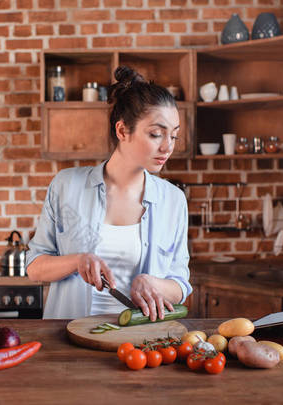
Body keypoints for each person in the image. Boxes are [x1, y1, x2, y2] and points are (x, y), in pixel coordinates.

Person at [27, 66, 191, 320]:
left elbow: (180, 285)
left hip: (140, 342)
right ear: (123, 130)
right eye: (156, 134)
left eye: (174, 136)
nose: (168, 146)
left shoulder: (173, 200)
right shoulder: (66, 185)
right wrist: (77, 261)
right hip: (68, 336)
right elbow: (34, 268)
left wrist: (153, 284)